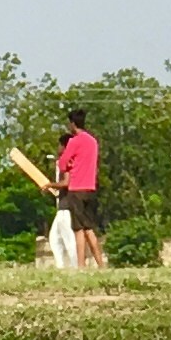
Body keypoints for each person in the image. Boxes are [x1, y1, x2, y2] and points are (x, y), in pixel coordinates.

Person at [53, 108, 103, 270]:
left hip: (77, 189)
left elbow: (62, 164)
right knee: (89, 228)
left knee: (79, 230)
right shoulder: (93, 141)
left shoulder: (74, 141)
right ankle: (100, 264)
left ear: (72, 124)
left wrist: (69, 163)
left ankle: (81, 265)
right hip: (90, 187)